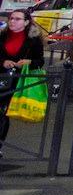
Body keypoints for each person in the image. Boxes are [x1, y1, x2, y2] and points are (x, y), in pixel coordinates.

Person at [0, 9, 44, 160]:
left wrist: (28, 62)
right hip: (2, 76)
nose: (12, 21)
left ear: (26, 22)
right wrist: (3, 62)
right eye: (11, 18)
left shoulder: (34, 39)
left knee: (3, 113)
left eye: (17, 19)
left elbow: (40, 61)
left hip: (18, 81)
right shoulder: (2, 36)